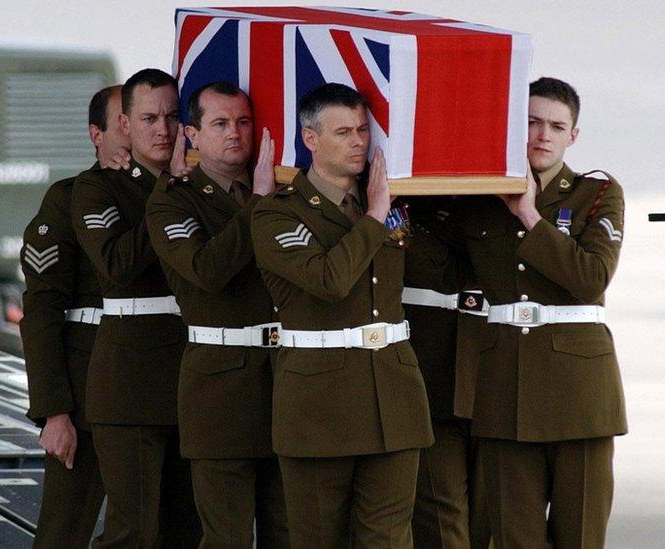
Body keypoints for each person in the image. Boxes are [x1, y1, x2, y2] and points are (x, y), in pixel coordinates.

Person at [251, 83, 433, 548]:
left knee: (390, 541)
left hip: (393, 398)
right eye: (344, 132)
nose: (359, 141)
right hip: (319, 407)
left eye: (362, 131)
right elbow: (328, 280)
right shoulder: (277, 215)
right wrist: (374, 216)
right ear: (310, 139)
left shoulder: (391, 203)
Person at [458, 77, 627, 547]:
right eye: (532, 122)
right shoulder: (478, 197)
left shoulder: (597, 192)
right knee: (515, 538)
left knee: (580, 535)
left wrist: (529, 215)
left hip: (581, 394)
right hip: (505, 388)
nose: (543, 135)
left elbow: (591, 277)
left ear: (573, 136)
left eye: (556, 126)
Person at [145, 81, 288, 548]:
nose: (235, 134)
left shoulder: (284, 192)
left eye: (244, 122)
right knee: (225, 536)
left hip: (287, 382)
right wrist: (259, 206)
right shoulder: (173, 200)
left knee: (287, 533)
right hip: (219, 387)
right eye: (221, 124)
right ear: (191, 134)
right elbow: (207, 271)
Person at [71, 68, 200, 548]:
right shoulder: (98, 188)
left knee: (189, 532)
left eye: (172, 116)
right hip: (130, 385)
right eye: (149, 118)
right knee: (133, 533)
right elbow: (116, 264)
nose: (163, 130)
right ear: (124, 124)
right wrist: (170, 193)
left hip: (195, 382)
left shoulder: (200, 185)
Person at [19, 84, 128, 548]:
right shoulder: (66, 201)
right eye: (123, 120)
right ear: (95, 134)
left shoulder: (171, 200)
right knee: (64, 530)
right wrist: (54, 412)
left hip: (152, 389)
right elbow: (41, 310)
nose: (136, 129)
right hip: (82, 394)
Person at [400, 196, 491, 548]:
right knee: (441, 524)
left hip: (497, 381)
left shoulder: (516, 203)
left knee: (492, 522)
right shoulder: (402, 204)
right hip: (428, 381)